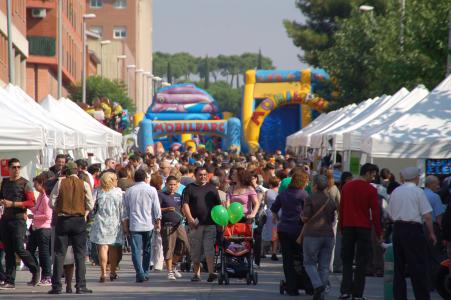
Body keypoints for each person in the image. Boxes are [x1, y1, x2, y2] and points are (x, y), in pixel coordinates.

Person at [388, 167, 436, 300]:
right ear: (416, 178)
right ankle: (421, 297)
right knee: (418, 266)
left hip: (398, 229)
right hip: (413, 229)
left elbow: (390, 214)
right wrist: (431, 233)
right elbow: (427, 215)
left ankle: (399, 297)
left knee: (399, 268)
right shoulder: (418, 192)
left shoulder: (395, 191)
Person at [48, 162, 94, 294]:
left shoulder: (61, 183)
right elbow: (90, 205)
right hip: (79, 220)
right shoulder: (84, 184)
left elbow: (51, 202)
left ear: (66, 172)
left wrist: (60, 208)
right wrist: (81, 209)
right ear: (76, 171)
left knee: (59, 254)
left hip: (63, 220)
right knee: (79, 254)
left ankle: (56, 286)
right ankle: (80, 285)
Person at [339, 163, 381, 300]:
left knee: (347, 260)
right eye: (373, 174)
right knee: (361, 261)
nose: (373, 178)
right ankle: (358, 293)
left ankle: (345, 290)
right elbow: (375, 213)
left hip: (348, 226)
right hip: (363, 227)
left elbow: (342, 208)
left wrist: (341, 226)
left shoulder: (346, 187)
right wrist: (379, 232)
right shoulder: (371, 190)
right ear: (368, 173)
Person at [0, 158, 39, 290]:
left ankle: (35, 269)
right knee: (8, 250)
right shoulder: (4, 182)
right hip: (6, 219)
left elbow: (32, 202)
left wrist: (14, 204)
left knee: (19, 248)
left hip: (18, 219)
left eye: (18, 167)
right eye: (14, 167)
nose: (17, 169)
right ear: (9, 169)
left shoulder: (25, 183)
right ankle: (10, 280)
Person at [271, 170, 310, 296]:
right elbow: (307, 213)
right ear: (303, 181)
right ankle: (306, 284)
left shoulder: (283, 193)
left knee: (287, 260)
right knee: (302, 257)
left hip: (284, 229)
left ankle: (292, 287)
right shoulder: (303, 195)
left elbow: (274, 209)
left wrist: (279, 219)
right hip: (299, 230)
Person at [182, 166, 221, 282]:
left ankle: (211, 272)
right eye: (200, 175)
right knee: (196, 250)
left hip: (210, 224)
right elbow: (185, 204)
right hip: (195, 225)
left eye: (205, 175)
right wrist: (189, 218)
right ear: (195, 175)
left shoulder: (212, 188)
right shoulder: (189, 188)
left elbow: (218, 206)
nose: (203, 177)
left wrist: (220, 222)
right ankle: (196, 274)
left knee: (209, 249)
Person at [122, 169, 161, 283]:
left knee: (136, 250)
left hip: (134, 224)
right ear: (145, 178)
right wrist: (158, 221)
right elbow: (156, 207)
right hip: (148, 224)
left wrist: (125, 224)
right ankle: (145, 272)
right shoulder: (151, 189)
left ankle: (140, 273)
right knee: (147, 249)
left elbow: (125, 210)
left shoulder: (129, 191)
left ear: (134, 179)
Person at [302, 175, 337, 300]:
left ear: (315, 185)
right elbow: (333, 219)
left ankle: (317, 285)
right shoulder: (330, 200)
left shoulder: (310, 198)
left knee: (309, 262)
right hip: (328, 235)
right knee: (324, 266)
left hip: (312, 234)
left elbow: (305, 217)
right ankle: (320, 295)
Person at [90, 172, 124, 283]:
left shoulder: (97, 191)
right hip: (114, 222)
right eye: (115, 179)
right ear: (111, 180)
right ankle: (113, 271)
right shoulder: (118, 192)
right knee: (113, 248)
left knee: (102, 248)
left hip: (100, 222)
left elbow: (91, 206)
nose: (117, 181)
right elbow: (122, 209)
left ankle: (103, 272)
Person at [159, 176, 190, 280]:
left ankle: (173, 265)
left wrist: (185, 214)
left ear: (177, 185)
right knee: (169, 248)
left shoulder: (178, 196)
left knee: (184, 244)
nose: (172, 187)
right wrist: (166, 209)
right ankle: (169, 271)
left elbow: (182, 208)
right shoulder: (161, 195)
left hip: (179, 224)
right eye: (170, 184)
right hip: (167, 225)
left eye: (174, 185)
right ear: (166, 184)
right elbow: (156, 209)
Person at [27, 174, 53, 286]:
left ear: (41, 184)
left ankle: (47, 276)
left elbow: (47, 215)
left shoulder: (46, 197)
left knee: (44, 254)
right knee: (29, 250)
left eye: (36, 183)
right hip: (36, 228)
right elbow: (37, 209)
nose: (34, 185)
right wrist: (27, 206)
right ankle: (36, 270)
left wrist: (34, 217)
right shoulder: (40, 196)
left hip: (44, 229)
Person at [424, 175, 446, 291]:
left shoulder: (420, 194)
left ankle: (424, 282)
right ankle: (433, 282)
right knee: (434, 256)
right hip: (432, 227)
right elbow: (439, 216)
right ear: (431, 184)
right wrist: (443, 230)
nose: (438, 186)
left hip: (419, 227)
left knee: (423, 255)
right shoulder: (435, 197)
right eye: (436, 184)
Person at [262, 176, 280, 261]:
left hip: (269, 212)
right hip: (278, 213)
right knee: (275, 232)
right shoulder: (280, 192)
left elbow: (265, 202)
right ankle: (274, 252)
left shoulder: (267, 192)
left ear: (270, 184)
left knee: (267, 231)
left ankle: (262, 251)